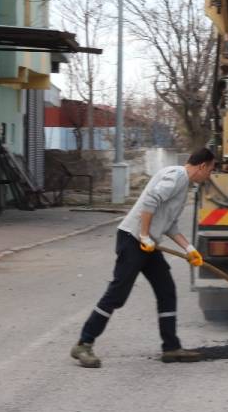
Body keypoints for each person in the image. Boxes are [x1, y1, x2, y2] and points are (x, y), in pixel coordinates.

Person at [71, 148, 216, 367]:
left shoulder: (183, 184)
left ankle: (171, 347)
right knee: (117, 294)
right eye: (211, 170)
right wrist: (145, 234)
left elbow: (170, 225)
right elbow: (151, 200)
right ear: (202, 166)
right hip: (133, 239)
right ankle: (83, 344)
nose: (210, 175)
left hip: (147, 244)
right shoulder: (177, 176)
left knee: (166, 290)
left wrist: (189, 248)